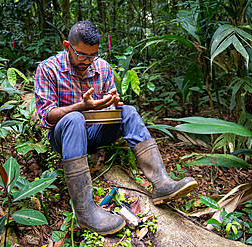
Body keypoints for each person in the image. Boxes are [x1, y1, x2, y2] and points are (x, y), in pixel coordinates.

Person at [34, 21, 198, 235]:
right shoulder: (48, 69)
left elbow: (111, 103)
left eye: (93, 55)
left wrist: (112, 103)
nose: (88, 61)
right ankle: (85, 211)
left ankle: (162, 183)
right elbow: (47, 115)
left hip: (94, 133)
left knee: (128, 111)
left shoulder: (101, 67)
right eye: (82, 55)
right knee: (74, 118)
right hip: (64, 137)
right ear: (67, 46)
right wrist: (82, 107)